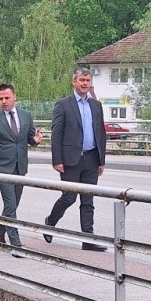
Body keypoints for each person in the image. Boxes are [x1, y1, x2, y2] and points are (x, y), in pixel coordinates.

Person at [44, 67, 108, 252]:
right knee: (69, 197)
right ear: (74, 82)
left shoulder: (96, 105)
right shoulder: (63, 104)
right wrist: (57, 160)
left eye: (87, 81)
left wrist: (101, 160)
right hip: (71, 160)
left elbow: (100, 133)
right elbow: (56, 134)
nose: (85, 84)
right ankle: (50, 222)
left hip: (91, 158)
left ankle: (88, 239)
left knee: (88, 200)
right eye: (82, 80)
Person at [0, 84, 42, 256]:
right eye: (0, 98)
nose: (4, 101)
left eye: (7, 98)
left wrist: (36, 140)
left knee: (13, 205)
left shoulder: (26, 115)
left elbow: (30, 139)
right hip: (3, 168)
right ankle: (15, 243)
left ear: (15, 97)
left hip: (20, 167)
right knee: (10, 204)